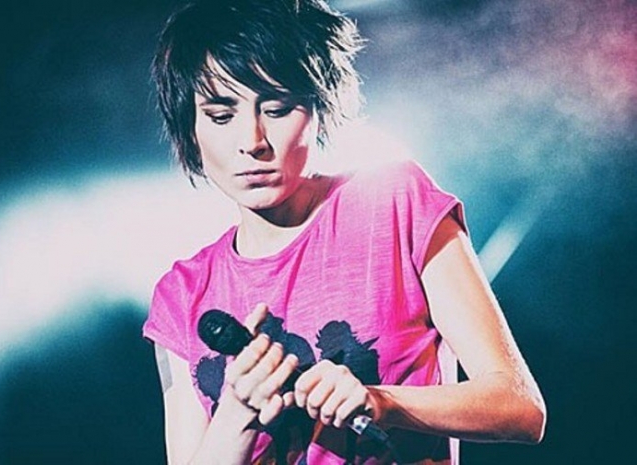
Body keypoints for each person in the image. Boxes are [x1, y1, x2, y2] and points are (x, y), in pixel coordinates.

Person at [142, 0, 547, 463]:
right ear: (189, 128)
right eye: (220, 116)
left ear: (318, 108)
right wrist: (237, 413)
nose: (252, 142)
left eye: (277, 109)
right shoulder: (181, 294)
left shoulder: (394, 202)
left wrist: (381, 401)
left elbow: (519, 407)